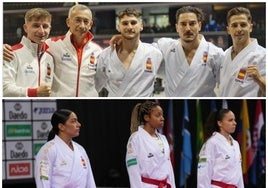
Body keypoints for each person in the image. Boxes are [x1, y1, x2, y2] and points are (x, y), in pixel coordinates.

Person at [111, 6, 224, 97]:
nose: (188, 28)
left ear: (199, 25)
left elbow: (227, 84)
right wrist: (126, 39)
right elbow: (140, 51)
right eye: (183, 24)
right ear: (176, 27)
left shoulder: (216, 54)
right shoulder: (165, 47)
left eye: (192, 23)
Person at [3, 4, 103, 97]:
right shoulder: (52, 45)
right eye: (77, 20)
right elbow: (4, 88)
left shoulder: (98, 51)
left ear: (90, 24)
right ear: (68, 22)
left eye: (86, 21)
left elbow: (101, 80)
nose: (82, 26)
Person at [95, 8, 163, 97]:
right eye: (125, 23)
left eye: (133, 23)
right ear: (118, 27)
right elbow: (95, 86)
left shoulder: (154, 53)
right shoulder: (105, 55)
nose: (130, 27)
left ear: (141, 26)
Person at [35, 109, 96, 188]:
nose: (79, 124)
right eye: (73, 121)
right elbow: (43, 181)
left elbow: (89, 180)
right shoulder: (48, 150)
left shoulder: (80, 149)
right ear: (61, 126)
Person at [3, 8, 54, 97]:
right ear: (26, 28)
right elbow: (4, 89)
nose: (41, 31)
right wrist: (34, 92)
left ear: (50, 28)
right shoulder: (10, 53)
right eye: (36, 26)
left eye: (45, 26)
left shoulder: (50, 56)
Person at [126, 101, 176, 187]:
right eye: (158, 115)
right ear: (146, 117)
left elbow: (169, 168)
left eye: (162, 115)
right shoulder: (135, 139)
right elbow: (133, 170)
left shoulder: (163, 139)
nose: (162, 118)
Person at [219, 7, 266, 97]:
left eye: (243, 25)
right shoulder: (225, 55)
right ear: (228, 30)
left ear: (250, 27)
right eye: (234, 25)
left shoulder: (263, 55)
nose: (239, 29)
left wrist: (259, 79)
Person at [197, 109, 244, 188]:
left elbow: (238, 173)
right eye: (230, 120)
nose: (234, 123)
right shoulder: (211, 143)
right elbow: (204, 172)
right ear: (220, 123)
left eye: (234, 120)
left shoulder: (236, 144)